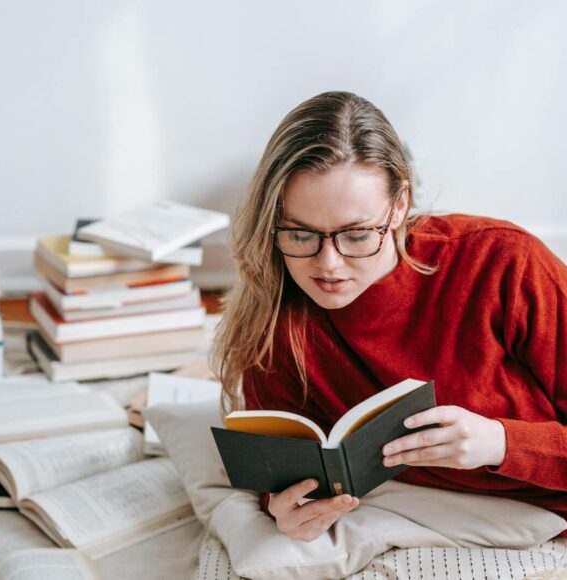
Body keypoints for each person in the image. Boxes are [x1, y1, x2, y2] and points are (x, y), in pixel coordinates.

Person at [212, 91, 567, 543]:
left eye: (357, 235)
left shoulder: (501, 262)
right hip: (440, 521)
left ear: (399, 207)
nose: (329, 265)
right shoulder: (277, 313)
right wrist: (286, 508)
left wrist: (500, 443)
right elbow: (284, 466)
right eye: (301, 234)